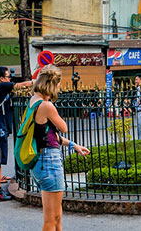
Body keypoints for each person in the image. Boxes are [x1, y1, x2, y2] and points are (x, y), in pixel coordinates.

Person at [26, 65, 91, 230]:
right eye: (58, 85)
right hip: (48, 161)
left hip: (42, 161)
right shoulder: (46, 106)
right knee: (51, 219)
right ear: (52, 85)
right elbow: (63, 127)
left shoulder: (33, 102)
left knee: (57, 215)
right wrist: (50, 104)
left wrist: (73, 145)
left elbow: (49, 135)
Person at [0, 66, 32, 201]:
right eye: (7, 77)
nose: (9, 79)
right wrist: (39, 79)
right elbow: (23, 85)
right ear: (2, 78)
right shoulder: (1, 87)